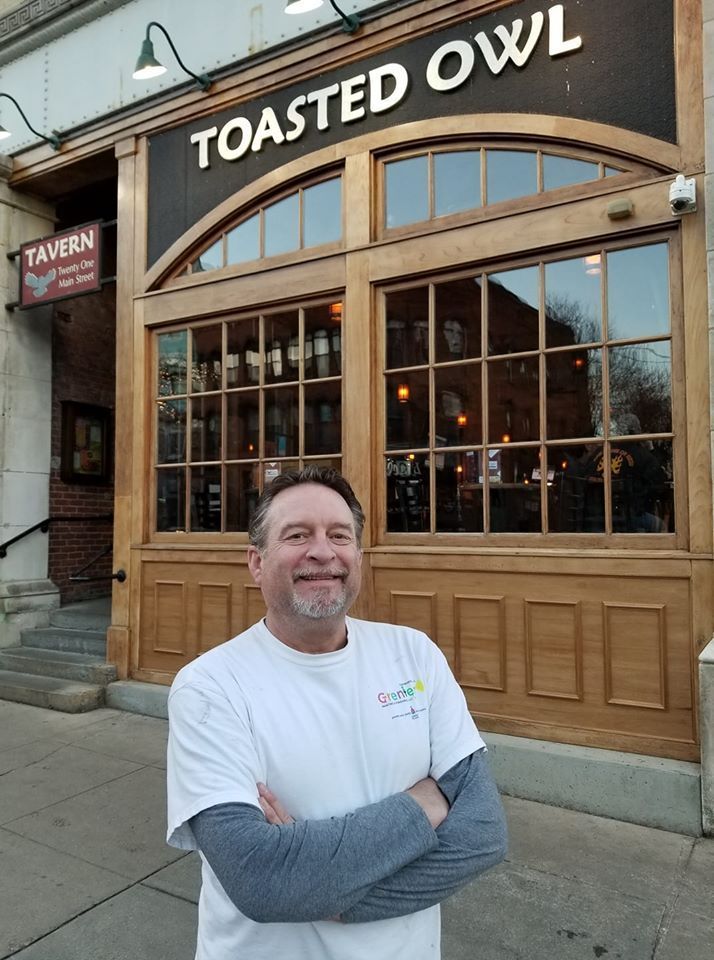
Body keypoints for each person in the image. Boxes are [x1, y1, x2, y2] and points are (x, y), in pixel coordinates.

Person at [166, 465, 507, 960]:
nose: (322, 552)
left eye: (339, 535)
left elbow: (483, 836)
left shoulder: (414, 654)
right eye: (297, 535)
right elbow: (262, 880)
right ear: (256, 563)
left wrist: (327, 895)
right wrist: (426, 803)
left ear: (358, 555)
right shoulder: (209, 688)